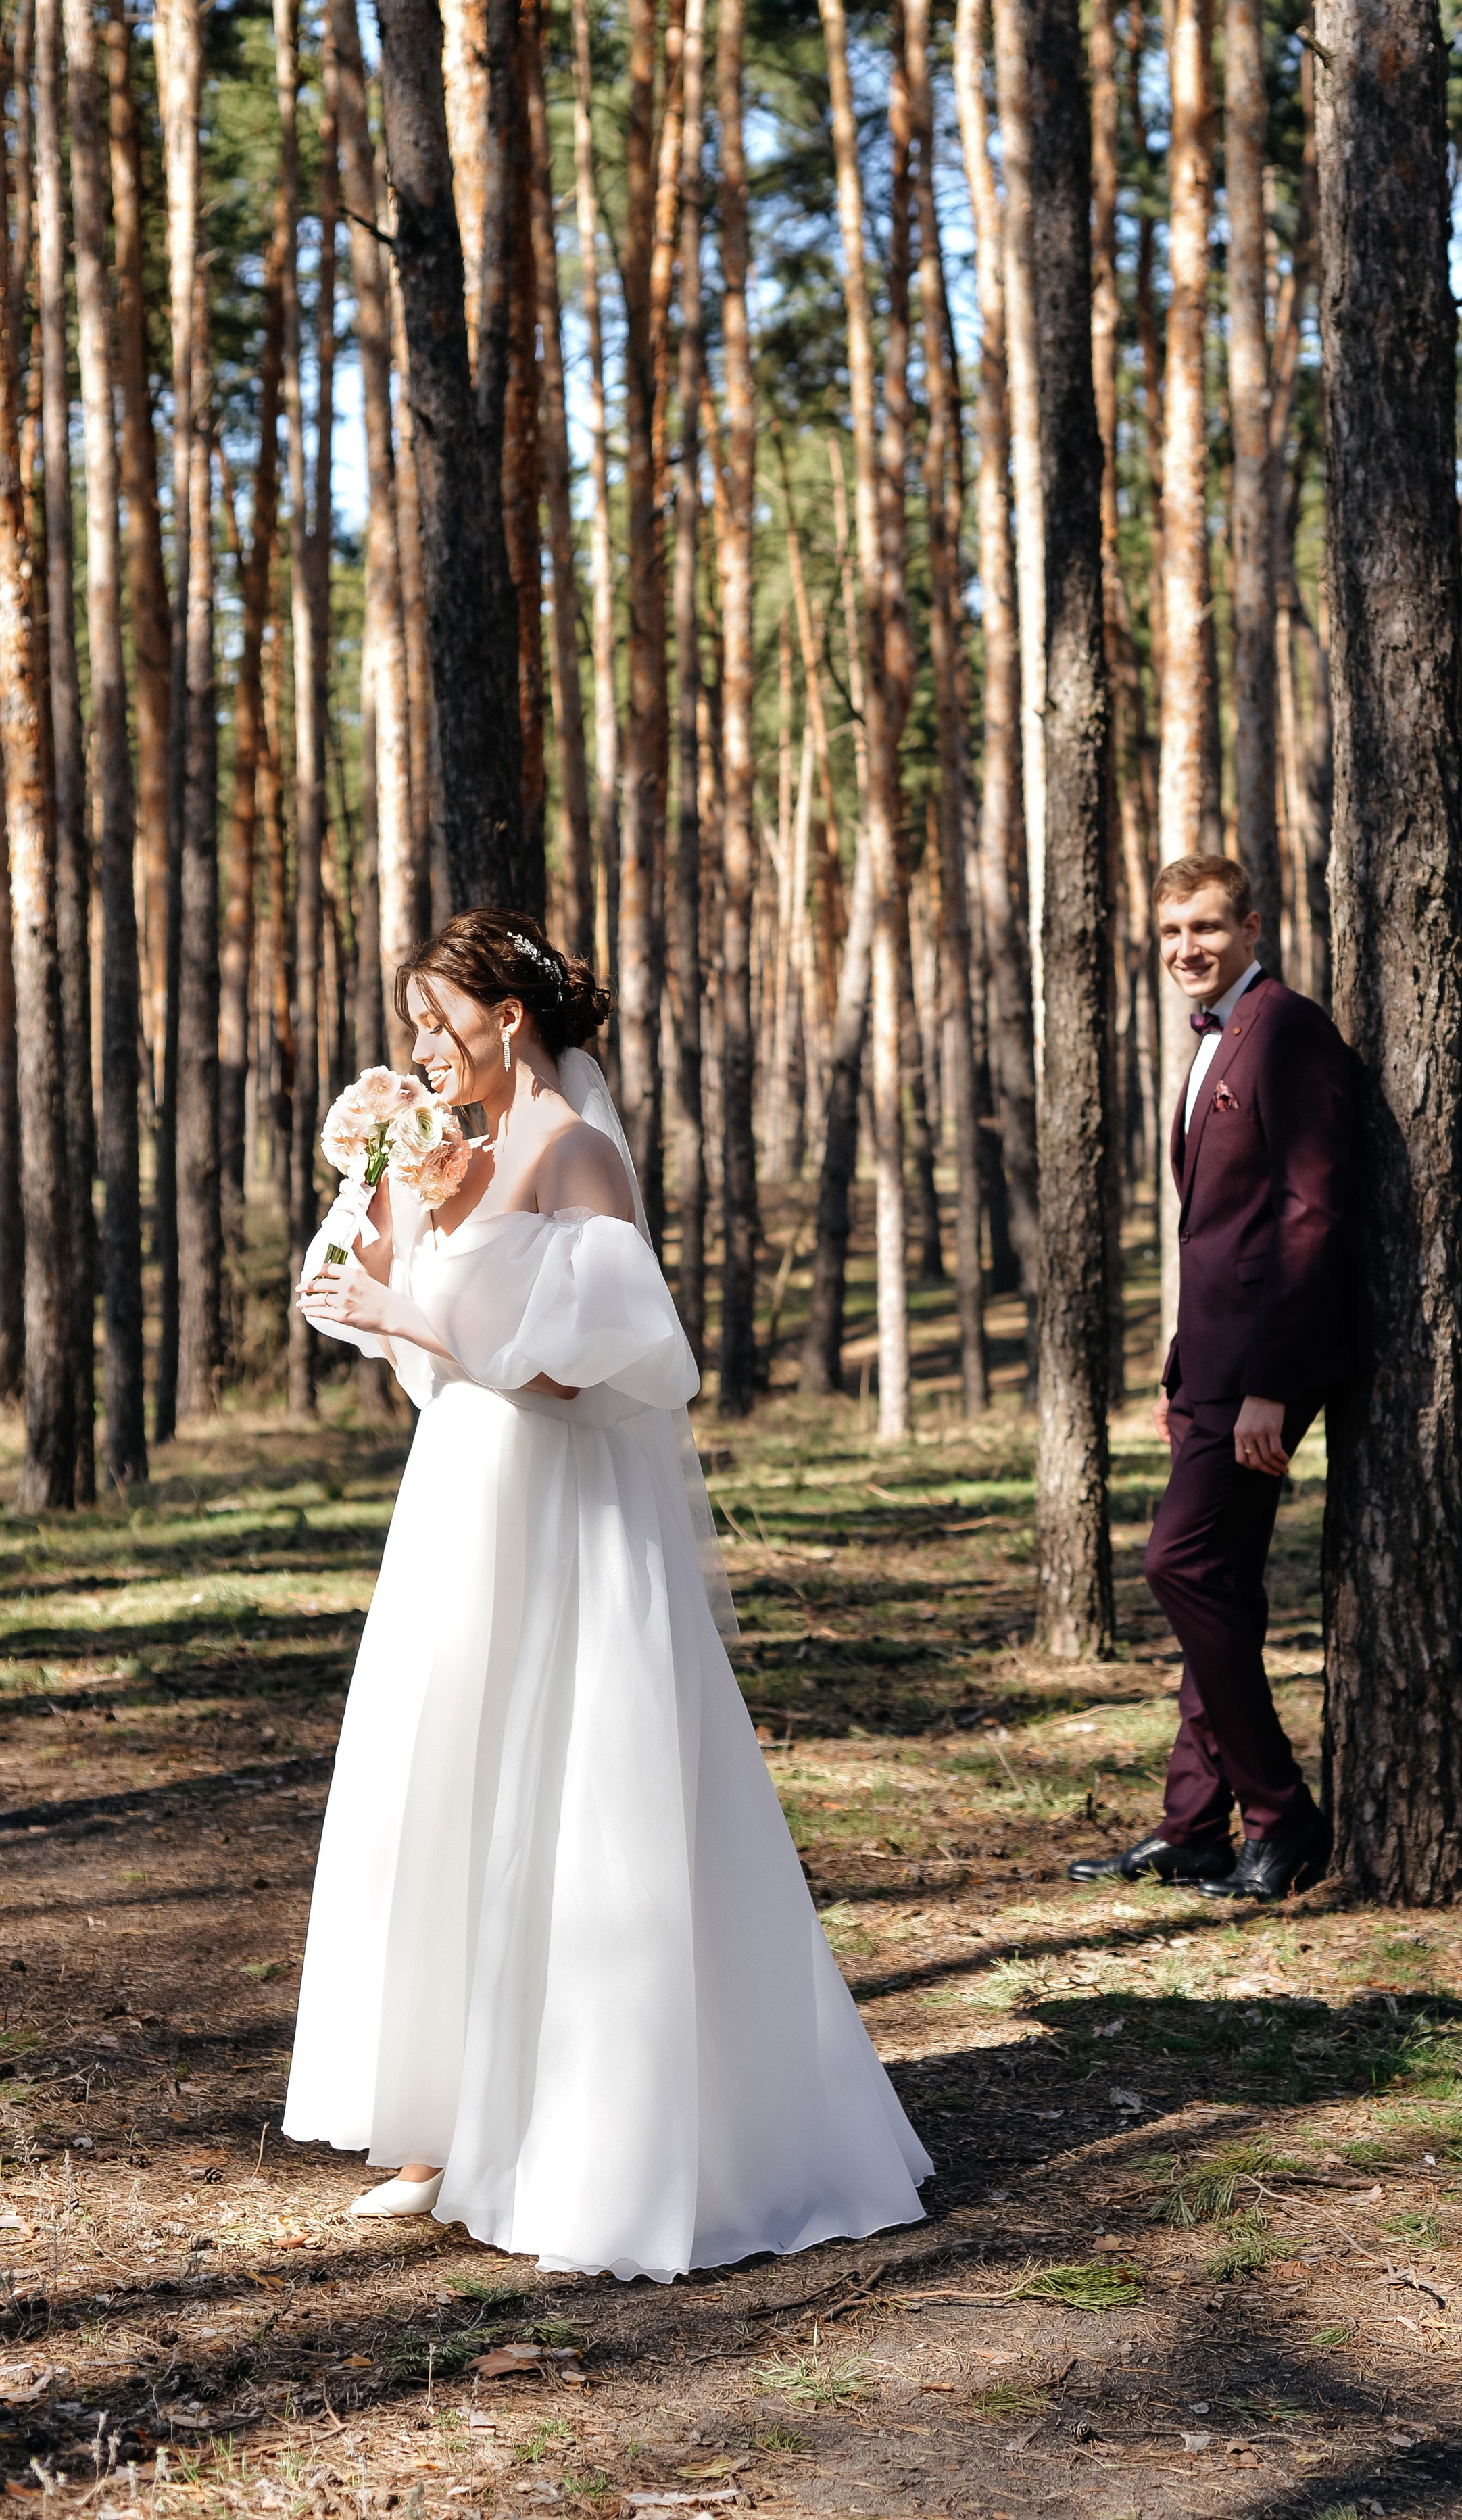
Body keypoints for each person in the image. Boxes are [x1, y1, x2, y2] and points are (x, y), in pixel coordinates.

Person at [283, 907, 929, 2277]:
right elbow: (363, 1295)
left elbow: (587, 1370)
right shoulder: (441, 1150)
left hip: (561, 1505)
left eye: (436, 1020)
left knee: (567, 1783)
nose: (420, 1048)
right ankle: (438, 2126)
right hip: (459, 1493)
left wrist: (413, 1312)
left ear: (505, 1018)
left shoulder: (575, 1154)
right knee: (445, 1779)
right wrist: (373, 1215)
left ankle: (595, 2126)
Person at [1069, 856, 1357, 1904]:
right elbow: (1214, 1228)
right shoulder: (1214, 1039)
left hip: (1264, 1373)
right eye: (1171, 930)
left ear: (1252, 926)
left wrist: (1270, 1386)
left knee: (1178, 1566)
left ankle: (1281, 1813)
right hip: (1215, 1366)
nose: (1187, 947)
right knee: (1217, 1585)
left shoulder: (1286, 1030)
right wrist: (1182, 1367)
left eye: (1206, 927)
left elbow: (1310, 1213)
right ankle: (1195, 1825)